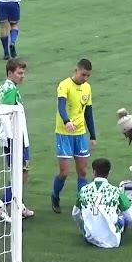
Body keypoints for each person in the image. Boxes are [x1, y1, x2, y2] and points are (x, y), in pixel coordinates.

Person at [0, 58, 34, 222]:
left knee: (21, 171)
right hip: (15, 138)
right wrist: (13, 138)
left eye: (23, 73)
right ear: (10, 73)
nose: (22, 76)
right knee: (21, 173)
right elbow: (6, 114)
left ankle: (19, 206)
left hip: (12, 137)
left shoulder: (6, 87)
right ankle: (1, 206)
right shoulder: (10, 90)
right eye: (19, 73)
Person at [51, 59, 97, 213]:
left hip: (80, 134)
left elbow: (88, 112)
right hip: (64, 133)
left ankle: (82, 204)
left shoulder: (87, 88)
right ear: (76, 70)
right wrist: (66, 121)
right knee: (64, 172)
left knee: (83, 171)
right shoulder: (64, 85)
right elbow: (61, 106)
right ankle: (55, 196)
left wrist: (93, 135)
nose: (85, 78)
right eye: (83, 74)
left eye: (88, 76)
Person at [72, 158, 132, 249]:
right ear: (109, 173)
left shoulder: (84, 190)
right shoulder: (116, 191)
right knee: (122, 216)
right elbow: (131, 217)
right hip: (112, 241)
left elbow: (75, 213)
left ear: (94, 172)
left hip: (90, 237)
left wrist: (83, 229)